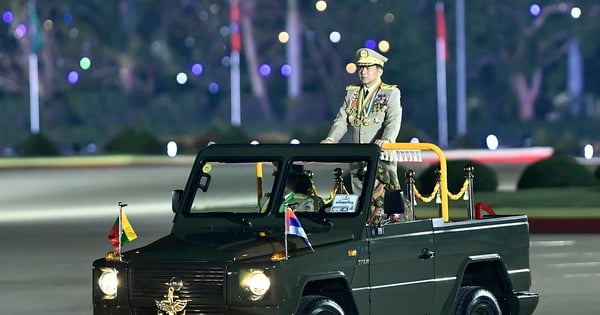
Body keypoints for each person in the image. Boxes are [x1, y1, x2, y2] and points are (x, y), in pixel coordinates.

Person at [321, 47, 402, 193]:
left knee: (382, 202)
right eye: (361, 67)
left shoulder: (390, 93)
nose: (363, 71)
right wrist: (331, 139)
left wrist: (387, 139)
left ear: (379, 71)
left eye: (368, 68)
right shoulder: (352, 93)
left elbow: (394, 120)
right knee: (359, 200)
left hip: (381, 156)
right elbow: (342, 119)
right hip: (358, 157)